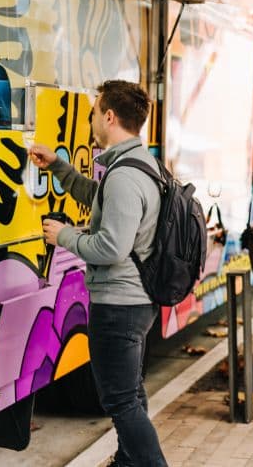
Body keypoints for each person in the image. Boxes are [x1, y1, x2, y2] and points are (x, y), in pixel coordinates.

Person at [29, 80, 167, 466]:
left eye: (93, 111)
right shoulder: (137, 163)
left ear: (109, 116)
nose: (91, 118)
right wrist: (59, 167)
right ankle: (127, 461)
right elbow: (100, 199)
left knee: (121, 401)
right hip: (135, 300)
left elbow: (111, 247)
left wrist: (65, 236)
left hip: (119, 304)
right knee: (131, 393)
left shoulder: (124, 175)